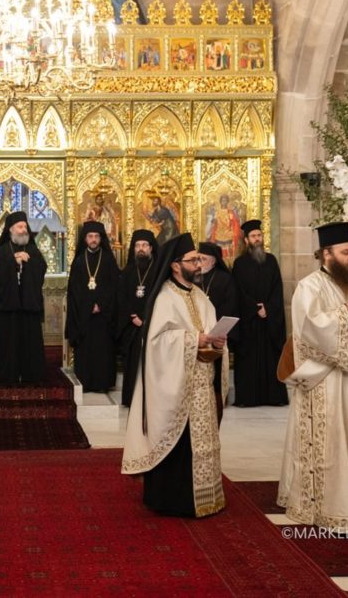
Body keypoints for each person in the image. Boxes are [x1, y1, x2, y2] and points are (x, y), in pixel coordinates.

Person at [278, 221, 348, 531]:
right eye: (346, 252)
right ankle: (328, 507)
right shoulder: (309, 286)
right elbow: (306, 332)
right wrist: (345, 312)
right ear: (327, 254)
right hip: (327, 381)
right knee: (334, 446)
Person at [122, 233, 228, 517]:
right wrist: (196, 339)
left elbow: (212, 330)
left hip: (202, 384)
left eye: (198, 260)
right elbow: (157, 343)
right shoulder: (164, 298)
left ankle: (207, 495)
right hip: (176, 388)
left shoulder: (200, 296)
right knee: (181, 446)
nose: (198, 265)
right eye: (192, 260)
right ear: (175, 265)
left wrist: (217, 342)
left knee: (204, 444)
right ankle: (175, 499)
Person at [230, 220, 287, 407]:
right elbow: (238, 292)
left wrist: (268, 308)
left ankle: (274, 397)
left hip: (269, 320)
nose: (257, 239)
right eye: (253, 236)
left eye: (259, 235)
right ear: (246, 240)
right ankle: (248, 398)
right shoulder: (239, 264)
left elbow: (277, 289)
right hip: (250, 321)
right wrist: (255, 308)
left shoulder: (271, 261)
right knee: (248, 361)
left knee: (271, 358)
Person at [0, 211, 47, 386]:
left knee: (31, 343)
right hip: (10, 309)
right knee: (9, 344)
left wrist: (28, 263)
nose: (23, 230)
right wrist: (13, 261)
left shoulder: (32, 250)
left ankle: (32, 375)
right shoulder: (2, 251)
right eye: (20, 227)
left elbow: (41, 270)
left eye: (25, 227)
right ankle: (8, 375)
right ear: (10, 230)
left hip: (29, 308)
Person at [66, 221, 120, 393]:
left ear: (101, 238)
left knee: (103, 349)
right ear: (85, 239)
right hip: (85, 316)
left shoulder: (109, 260)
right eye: (90, 236)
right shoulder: (79, 261)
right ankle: (86, 382)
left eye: (97, 236)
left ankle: (102, 383)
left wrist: (100, 305)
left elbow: (113, 288)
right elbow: (75, 290)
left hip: (103, 316)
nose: (94, 240)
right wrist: (89, 306)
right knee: (86, 349)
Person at [196, 241, 238, 424]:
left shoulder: (224, 279)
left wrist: (215, 329)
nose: (199, 263)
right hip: (198, 336)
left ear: (213, 261)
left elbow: (230, 306)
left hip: (217, 336)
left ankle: (218, 399)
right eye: (197, 259)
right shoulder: (195, 279)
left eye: (202, 259)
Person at [115, 230, 158, 407]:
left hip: (153, 325)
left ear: (151, 248)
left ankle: (151, 400)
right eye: (138, 245)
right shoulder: (128, 272)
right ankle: (131, 398)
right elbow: (121, 298)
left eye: (144, 245)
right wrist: (133, 317)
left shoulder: (157, 272)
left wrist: (147, 320)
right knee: (132, 364)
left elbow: (160, 297)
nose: (141, 249)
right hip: (132, 326)